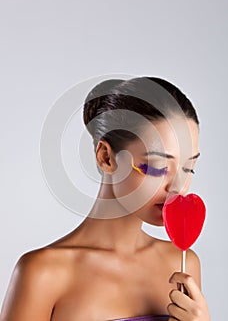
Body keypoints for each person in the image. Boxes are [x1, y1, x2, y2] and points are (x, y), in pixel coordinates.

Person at [0, 77, 210, 321]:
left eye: (188, 168)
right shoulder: (43, 273)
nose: (177, 188)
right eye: (158, 166)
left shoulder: (183, 264)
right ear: (106, 158)